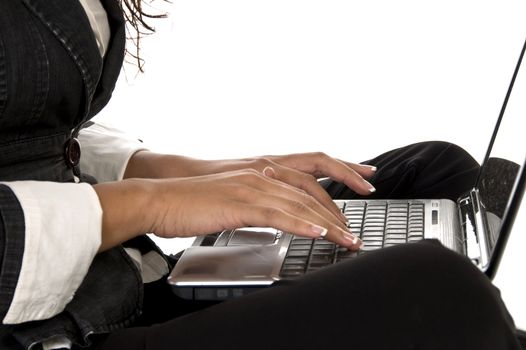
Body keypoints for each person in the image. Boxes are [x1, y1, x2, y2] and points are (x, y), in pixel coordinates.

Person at [0, 1, 521, 349]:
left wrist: (183, 173)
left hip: (120, 272)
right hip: (52, 326)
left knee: (433, 170)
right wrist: (149, 202)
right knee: (439, 289)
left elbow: (41, 128)